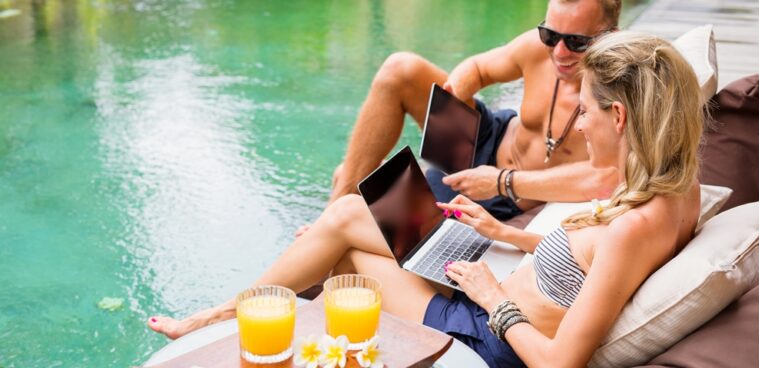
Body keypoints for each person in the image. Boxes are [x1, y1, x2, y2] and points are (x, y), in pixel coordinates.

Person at [149, 31, 705, 368]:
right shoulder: (678, 188)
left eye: (586, 110)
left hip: (488, 331)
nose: (580, 124)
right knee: (346, 217)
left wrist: (492, 297)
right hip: (484, 273)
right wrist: (507, 235)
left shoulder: (638, 220)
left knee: (343, 259)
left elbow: (559, 362)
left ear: (620, 115)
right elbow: (595, 262)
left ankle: (222, 318)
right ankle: (230, 313)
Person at [323, 0, 623, 225]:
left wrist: (500, 181)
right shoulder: (537, 47)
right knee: (400, 70)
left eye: (576, 42)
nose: (559, 52)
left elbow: (607, 178)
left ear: (611, 35)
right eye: (550, 35)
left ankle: (357, 195)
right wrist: (451, 99)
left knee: (368, 209)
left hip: (508, 197)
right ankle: (333, 210)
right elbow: (478, 69)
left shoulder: (622, 91)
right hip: (486, 139)